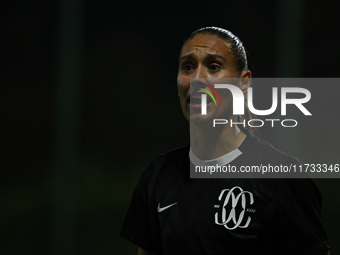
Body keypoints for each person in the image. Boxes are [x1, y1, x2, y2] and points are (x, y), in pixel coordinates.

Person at [121, 27, 330, 255]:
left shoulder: (282, 178)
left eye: (213, 67)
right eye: (188, 67)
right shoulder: (158, 176)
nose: (197, 79)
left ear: (243, 83)